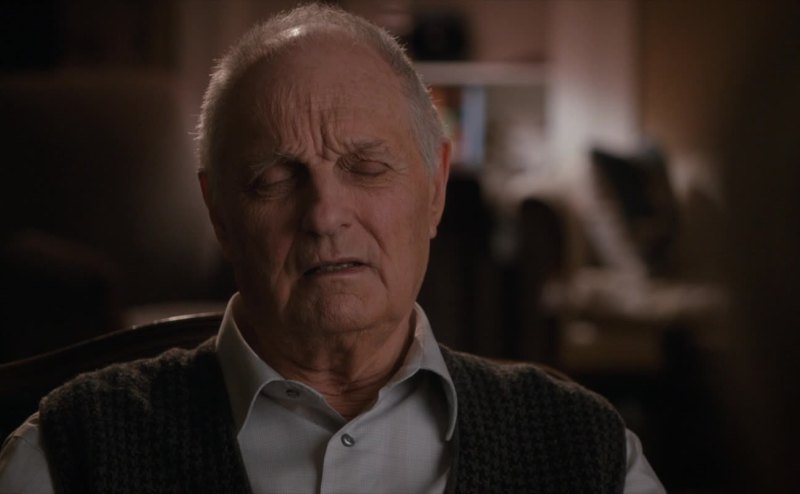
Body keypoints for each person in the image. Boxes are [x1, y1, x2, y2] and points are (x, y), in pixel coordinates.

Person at [0, 5, 664, 493]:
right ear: (219, 213)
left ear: (435, 187)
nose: (323, 214)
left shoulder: (584, 451)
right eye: (273, 179)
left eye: (366, 168)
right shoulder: (70, 453)